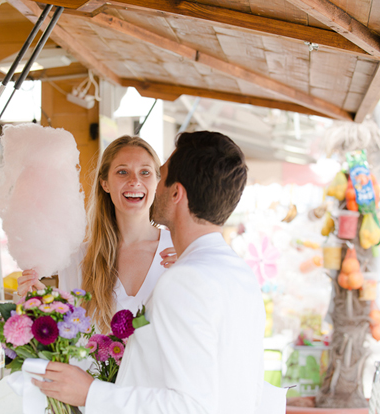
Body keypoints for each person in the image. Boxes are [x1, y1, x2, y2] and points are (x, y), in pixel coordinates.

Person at [31, 131, 267, 413]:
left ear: (175, 192)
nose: (144, 183)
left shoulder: (184, 278)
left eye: (158, 174)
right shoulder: (239, 273)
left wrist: (91, 394)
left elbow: (191, 405)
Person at [16, 136, 176, 332]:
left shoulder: (179, 251)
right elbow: (74, 337)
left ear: (158, 183)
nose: (134, 181)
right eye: (122, 172)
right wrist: (45, 302)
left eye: (145, 172)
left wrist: (191, 274)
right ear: (105, 183)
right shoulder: (78, 260)